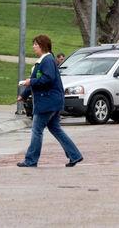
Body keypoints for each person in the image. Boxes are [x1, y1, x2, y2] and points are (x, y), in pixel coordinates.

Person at [17, 34, 82, 168]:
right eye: (34, 44)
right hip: (52, 101)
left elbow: (47, 79)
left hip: (47, 102)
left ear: (43, 46)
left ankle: (31, 160)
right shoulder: (44, 61)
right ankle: (75, 155)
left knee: (36, 130)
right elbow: (36, 82)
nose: (33, 47)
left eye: (36, 44)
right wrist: (24, 95)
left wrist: (30, 81)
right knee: (56, 129)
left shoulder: (47, 60)